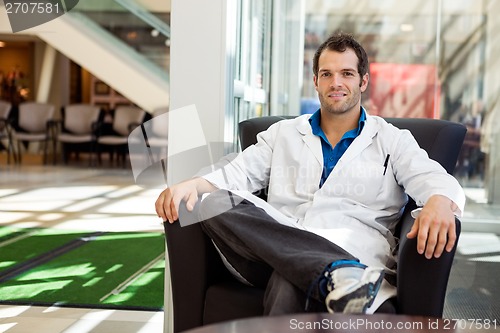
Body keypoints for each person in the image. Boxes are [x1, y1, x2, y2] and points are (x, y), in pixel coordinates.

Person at [155, 32, 465, 315]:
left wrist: (439, 200)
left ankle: (330, 271)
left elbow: (433, 178)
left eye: (346, 74)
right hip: (273, 244)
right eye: (327, 74)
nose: (336, 83)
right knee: (211, 201)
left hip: (354, 250)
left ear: (363, 82)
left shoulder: (391, 139)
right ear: (315, 81)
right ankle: (336, 271)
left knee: (288, 279)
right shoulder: (283, 134)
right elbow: (237, 173)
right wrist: (195, 183)